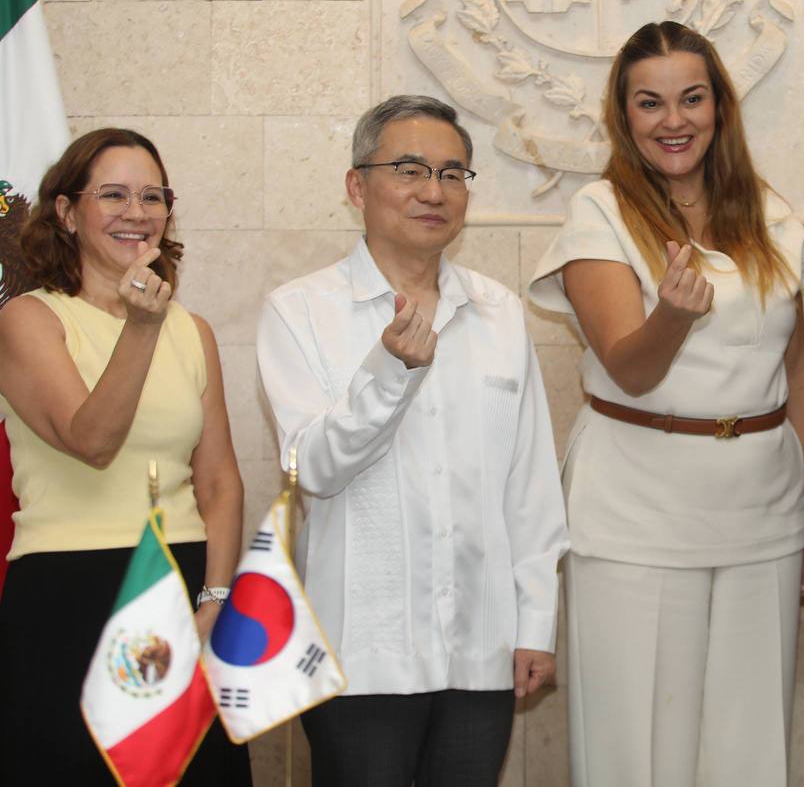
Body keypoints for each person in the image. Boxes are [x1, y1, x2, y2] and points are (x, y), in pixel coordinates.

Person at [529, 20, 804, 787]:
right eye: (651, 103)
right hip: (637, 511)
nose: (674, 120)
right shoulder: (601, 211)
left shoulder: (767, 212)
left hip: (763, 509)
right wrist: (671, 313)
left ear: (719, 105)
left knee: (749, 747)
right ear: (623, 116)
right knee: (637, 752)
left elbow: (798, 367)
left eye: (692, 98)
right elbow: (629, 368)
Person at [257, 95, 569, 787]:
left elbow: (530, 487)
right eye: (410, 169)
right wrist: (390, 371)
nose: (434, 191)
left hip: (481, 650)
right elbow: (314, 469)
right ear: (356, 186)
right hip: (360, 655)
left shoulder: (498, 311)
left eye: (453, 174)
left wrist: (535, 624)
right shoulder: (299, 311)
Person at [0, 128, 249, 784]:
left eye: (152, 196)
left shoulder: (192, 331)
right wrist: (140, 328)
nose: (136, 212)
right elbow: (93, 441)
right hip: (70, 594)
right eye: (113, 194)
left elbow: (220, 481)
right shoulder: (28, 319)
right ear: (66, 211)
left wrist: (213, 600)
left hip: (181, 585)